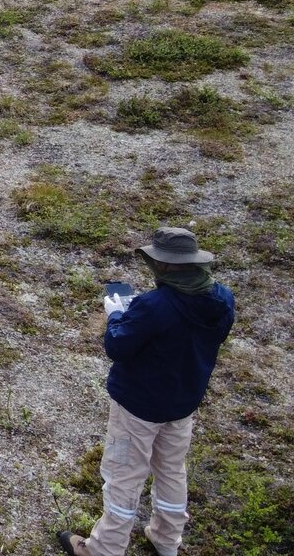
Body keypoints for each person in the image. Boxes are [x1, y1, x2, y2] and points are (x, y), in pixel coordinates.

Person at [58, 227, 236, 556]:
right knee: (170, 470)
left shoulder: (154, 305)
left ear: (165, 265)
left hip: (138, 406)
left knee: (124, 475)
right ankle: (166, 541)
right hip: (182, 403)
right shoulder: (223, 298)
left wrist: (117, 315)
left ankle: (104, 549)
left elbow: (117, 346)